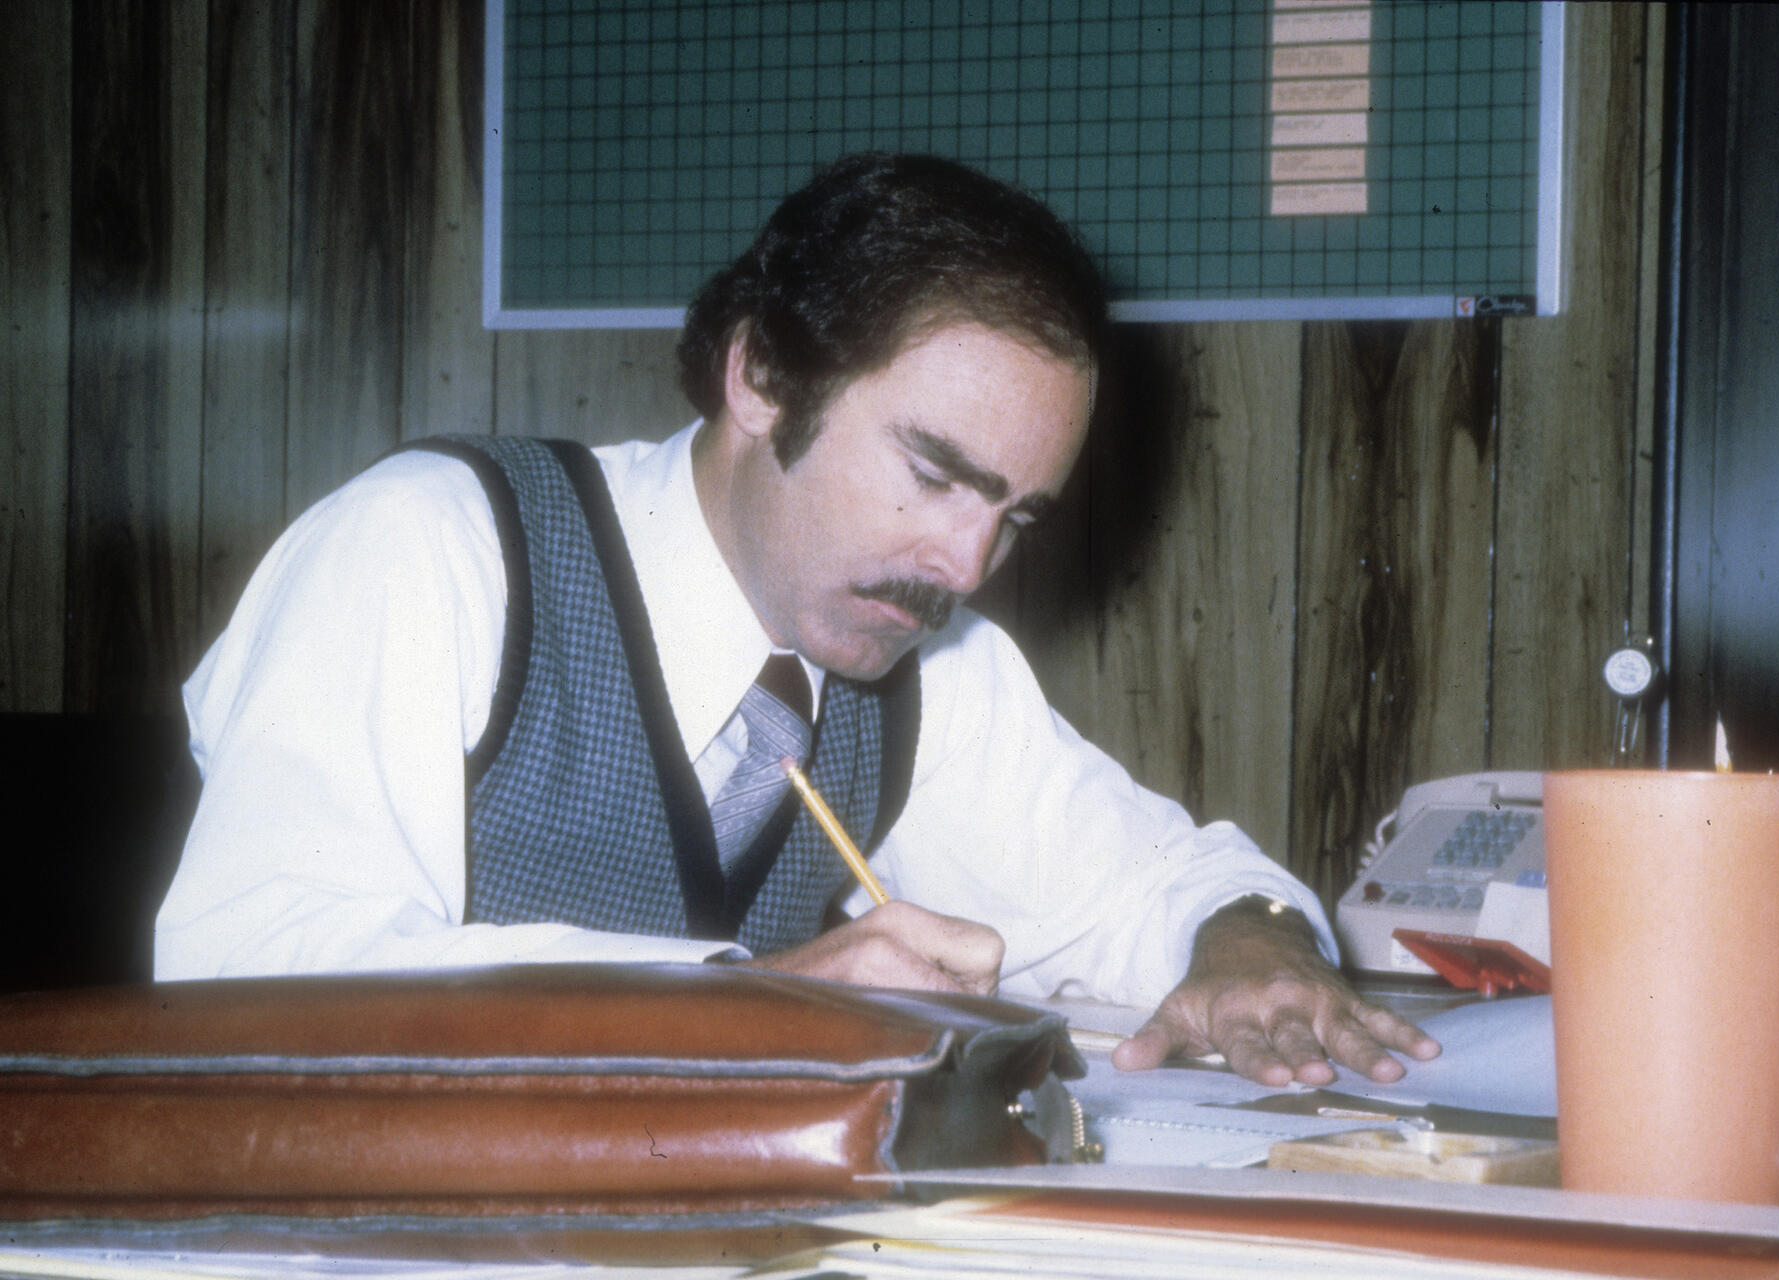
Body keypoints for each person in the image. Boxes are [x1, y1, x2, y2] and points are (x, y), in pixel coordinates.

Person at [155, 153, 1438, 1088]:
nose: (965, 562)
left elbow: (1148, 887)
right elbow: (246, 969)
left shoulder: (922, 661)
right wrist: (745, 1003)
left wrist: (1249, 942)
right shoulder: (433, 546)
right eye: (933, 473)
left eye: (1018, 516)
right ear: (763, 375)